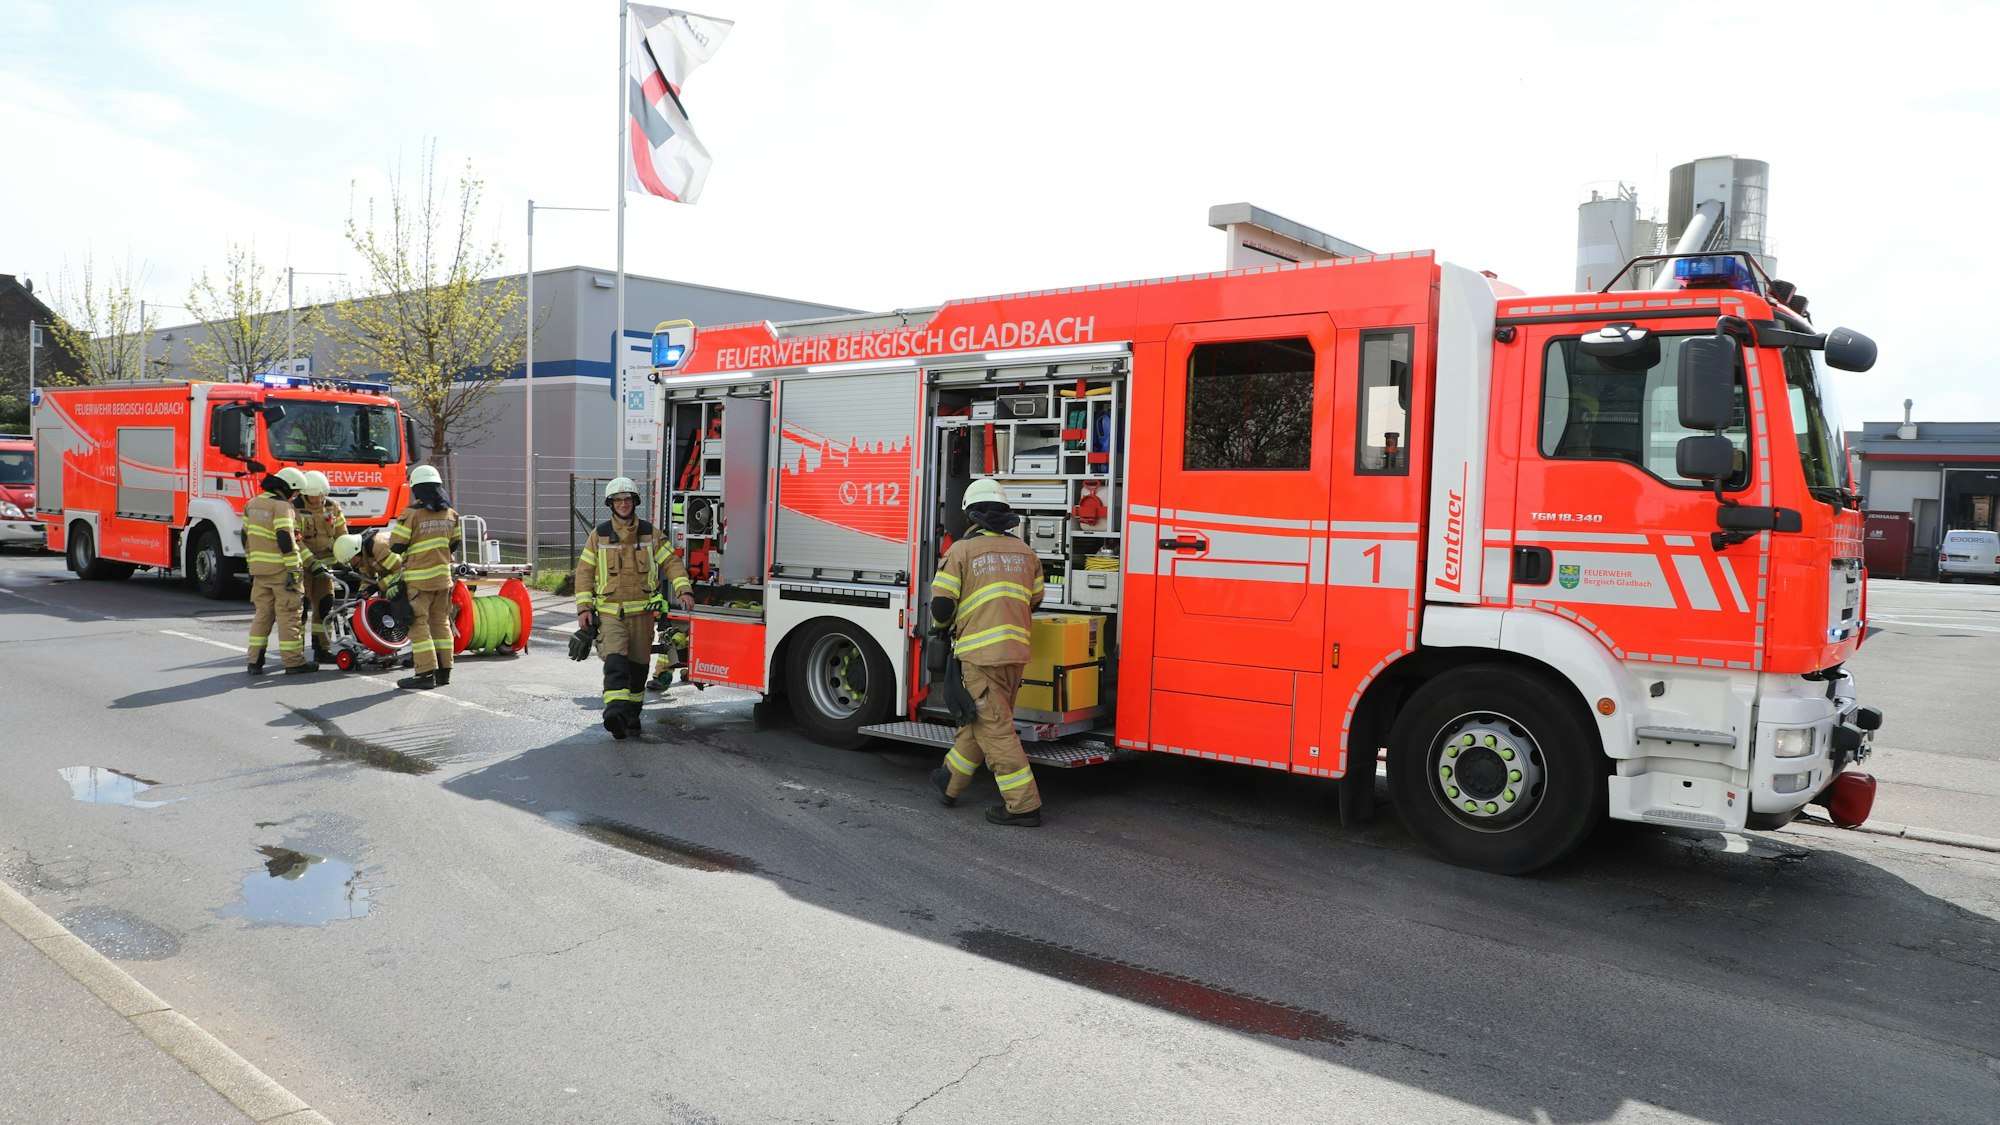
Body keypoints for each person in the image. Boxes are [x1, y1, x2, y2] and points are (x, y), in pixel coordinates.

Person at [928, 479, 1046, 826]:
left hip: (981, 657)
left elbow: (941, 606)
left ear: (970, 514)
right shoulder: (1026, 552)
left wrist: (943, 629)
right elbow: (1035, 600)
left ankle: (1023, 805)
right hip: (1016, 653)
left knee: (995, 730)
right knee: (983, 720)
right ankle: (950, 780)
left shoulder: (961, 552)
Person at [574, 476, 693, 739]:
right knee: (616, 663)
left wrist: (683, 588)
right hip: (610, 614)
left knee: (638, 671)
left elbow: (671, 562)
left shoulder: (650, 534)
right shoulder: (599, 535)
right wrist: (584, 608)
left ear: (635, 501)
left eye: (628, 499)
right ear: (611, 504)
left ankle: (631, 717)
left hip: (642, 616)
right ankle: (614, 713)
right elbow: (584, 573)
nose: (623, 504)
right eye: (618, 500)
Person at [389, 464, 460, 691]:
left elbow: (396, 546)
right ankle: (444, 671)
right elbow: (454, 543)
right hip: (443, 580)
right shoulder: (451, 514)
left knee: (418, 625)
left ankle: (424, 673)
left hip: (419, 582)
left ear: (417, 490)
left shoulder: (412, 514)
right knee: (441, 623)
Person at [244, 466, 317, 675]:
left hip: (260, 571)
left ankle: (254, 661)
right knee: (289, 615)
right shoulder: (282, 507)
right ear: (288, 488)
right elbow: (286, 538)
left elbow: (245, 538)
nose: (295, 497)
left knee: (262, 615)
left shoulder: (253, 503)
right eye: (295, 493)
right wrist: (294, 568)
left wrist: (251, 564)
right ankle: (294, 662)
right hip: (281, 571)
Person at [295, 470, 348, 664]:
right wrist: (311, 563)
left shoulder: (333, 507)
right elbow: (296, 541)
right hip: (303, 567)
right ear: (304, 494)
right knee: (301, 609)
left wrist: (346, 556)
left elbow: (342, 533)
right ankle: (296, 652)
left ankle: (322, 649)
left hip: (326, 568)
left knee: (325, 608)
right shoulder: (294, 509)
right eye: (314, 496)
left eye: (322, 495)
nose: (319, 500)